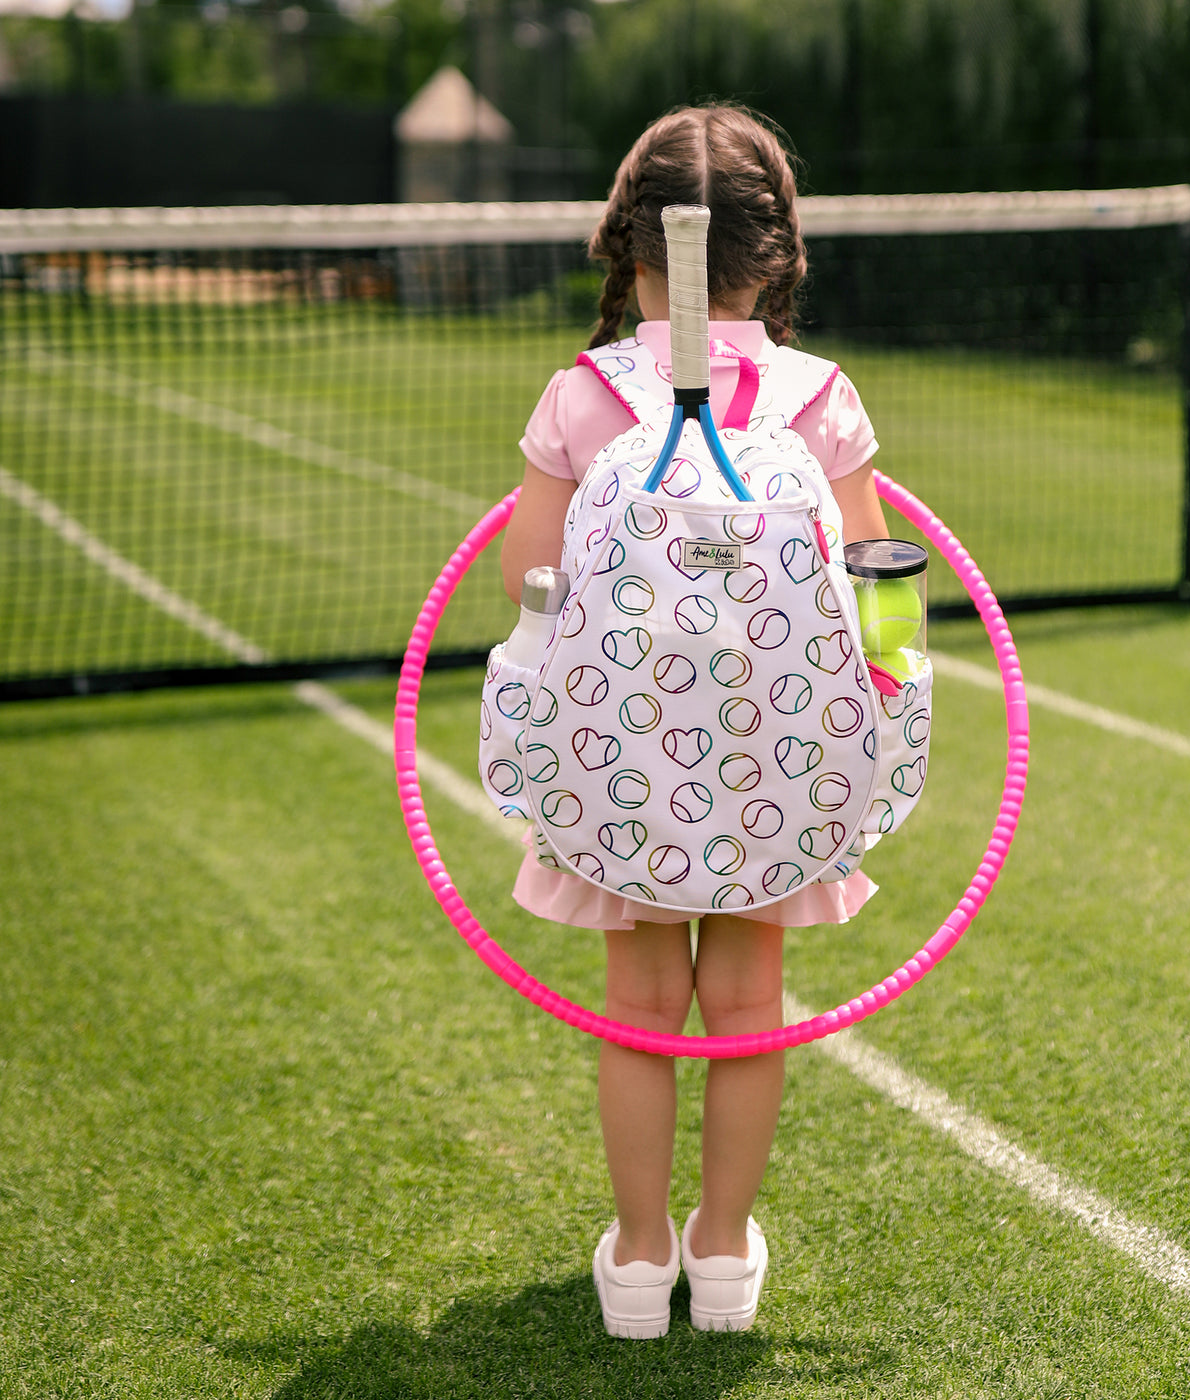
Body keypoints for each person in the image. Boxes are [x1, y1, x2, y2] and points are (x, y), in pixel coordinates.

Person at [499, 102, 889, 1338]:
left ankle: (635, 1252)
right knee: (745, 1008)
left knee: (638, 1011)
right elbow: (879, 585)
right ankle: (719, 1254)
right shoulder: (814, 392)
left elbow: (527, 577)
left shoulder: (584, 391)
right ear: (773, 251)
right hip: (768, 763)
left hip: (628, 769)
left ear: (628, 240)